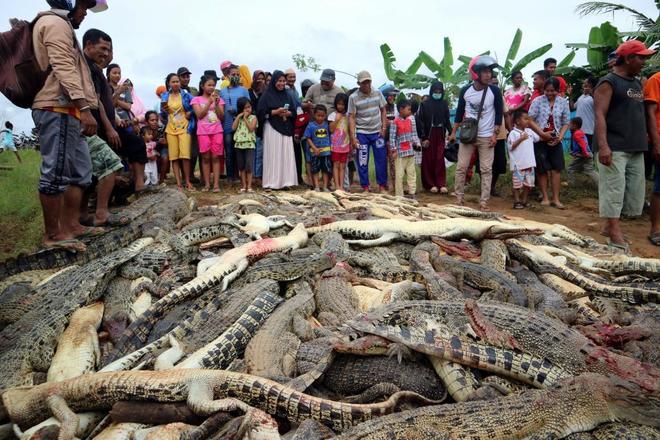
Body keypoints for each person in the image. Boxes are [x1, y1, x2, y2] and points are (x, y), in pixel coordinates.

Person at [32, 0, 101, 252]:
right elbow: (63, 67)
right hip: (57, 107)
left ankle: (71, 226)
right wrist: (84, 108)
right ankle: (53, 235)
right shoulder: (55, 23)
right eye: (82, 8)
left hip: (69, 109)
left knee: (80, 171)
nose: (84, 14)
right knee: (57, 171)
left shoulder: (63, 25)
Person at [595, 40, 655, 250]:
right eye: (641, 57)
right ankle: (614, 232)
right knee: (614, 189)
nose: (644, 61)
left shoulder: (637, 82)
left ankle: (608, 226)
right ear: (628, 58)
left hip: (635, 146)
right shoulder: (608, 82)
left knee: (632, 192)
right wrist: (603, 146)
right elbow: (600, 115)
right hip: (615, 145)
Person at [80, 28, 128, 228]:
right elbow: (96, 102)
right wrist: (107, 126)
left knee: (84, 173)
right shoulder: (83, 67)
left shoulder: (93, 68)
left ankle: (83, 216)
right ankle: (101, 213)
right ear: (88, 45)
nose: (106, 54)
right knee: (111, 164)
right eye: (103, 48)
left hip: (92, 125)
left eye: (109, 50)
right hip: (85, 125)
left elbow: (99, 100)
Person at [449, 55, 504, 212]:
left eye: (490, 72)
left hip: (487, 136)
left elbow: (498, 115)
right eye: (485, 72)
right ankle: (458, 198)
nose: (489, 75)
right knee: (461, 167)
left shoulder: (494, 91)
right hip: (468, 135)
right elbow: (459, 113)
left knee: (486, 169)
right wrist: (453, 132)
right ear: (476, 73)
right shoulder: (465, 91)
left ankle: (484, 202)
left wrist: (495, 135)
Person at [528, 77, 570, 209]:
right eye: (547, 90)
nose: (550, 93)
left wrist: (560, 137)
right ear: (543, 90)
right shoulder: (537, 101)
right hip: (540, 140)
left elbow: (566, 122)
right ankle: (545, 197)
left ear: (557, 90)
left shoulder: (563, 102)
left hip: (555, 140)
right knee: (542, 170)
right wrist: (541, 134)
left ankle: (556, 199)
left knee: (556, 169)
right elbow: (530, 120)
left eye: (553, 91)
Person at [105, 63, 147, 191]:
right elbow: (108, 105)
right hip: (108, 125)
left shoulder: (126, 89)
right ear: (108, 74)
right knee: (116, 157)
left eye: (119, 73)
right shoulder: (105, 87)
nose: (117, 75)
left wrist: (115, 98)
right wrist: (117, 95)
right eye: (114, 73)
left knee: (138, 144)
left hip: (125, 125)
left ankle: (139, 185)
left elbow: (129, 107)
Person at [257, 70, 297, 190]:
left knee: (285, 154)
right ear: (274, 81)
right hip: (272, 128)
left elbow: (295, 111)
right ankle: (271, 182)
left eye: (283, 81)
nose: (281, 83)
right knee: (273, 154)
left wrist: (289, 113)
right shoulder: (266, 95)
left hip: (286, 127)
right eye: (279, 81)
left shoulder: (288, 95)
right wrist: (275, 112)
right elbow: (260, 112)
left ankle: (286, 181)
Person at [348, 71, 388, 192]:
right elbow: (352, 117)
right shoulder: (353, 97)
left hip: (377, 132)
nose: (366, 84)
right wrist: (353, 137)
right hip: (362, 133)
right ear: (358, 83)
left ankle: (382, 186)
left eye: (368, 82)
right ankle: (365, 187)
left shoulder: (378, 93)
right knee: (362, 160)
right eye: (363, 82)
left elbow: (383, 110)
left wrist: (384, 128)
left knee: (381, 159)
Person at [161, 73, 195, 191]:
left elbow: (195, 106)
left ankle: (187, 181)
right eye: (173, 82)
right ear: (169, 83)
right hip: (170, 128)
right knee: (174, 157)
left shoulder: (186, 95)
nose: (176, 84)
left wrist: (191, 113)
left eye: (177, 82)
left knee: (185, 156)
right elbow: (163, 115)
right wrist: (164, 111)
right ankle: (179, 183)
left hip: (185, 127)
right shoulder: (164, 96)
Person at [191, 75, 225, 192]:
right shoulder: (196, 100)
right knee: (205, 158)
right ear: (202, 86)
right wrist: (208, 103)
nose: (211, 87)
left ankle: (216, 185)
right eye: (209, 85)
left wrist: (216, 104)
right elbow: (199, 115)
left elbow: (221, 116)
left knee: (215, 157)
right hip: (203, 131)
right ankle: (206, 184)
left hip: (217, 130)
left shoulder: (219, 99)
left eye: (213, 85)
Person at [417, 80, 452, 193]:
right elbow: (420, 121)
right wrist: (423, 137)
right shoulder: (424, 104)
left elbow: (447, 120)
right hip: (429, 134)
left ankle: (440, 184)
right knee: (428, 159)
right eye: (435, 91)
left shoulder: (444, 104)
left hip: (440, 133)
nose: (437, 93)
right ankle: (430, 184)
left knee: (439, 158)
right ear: (431, 91)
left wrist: (451, 132)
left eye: (439, 91)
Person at [220, 65, 250, 182]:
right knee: (229, 151)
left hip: (241, 126)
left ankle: (239, 176)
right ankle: (230, 177)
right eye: (233, 75)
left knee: (239, 151)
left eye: (238, 75)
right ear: (227, 76)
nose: (236, 77)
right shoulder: (222, 92)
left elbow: (248, 107)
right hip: (227, 125)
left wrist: (238, 112)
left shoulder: (244, 90)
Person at [388, 100, 420, 198]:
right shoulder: (395, 122)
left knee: (411, 174)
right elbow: (392, 138)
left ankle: (412, 193)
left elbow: (414, 134)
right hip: (400, 154)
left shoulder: (411, 120)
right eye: (408, 109)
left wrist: (417, 144)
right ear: (401, 110)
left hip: (410, 152)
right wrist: (393, 150)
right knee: (399, 175)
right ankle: (399, 195)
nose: (410, 111)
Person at [507, 109, 539, 209]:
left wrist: (549, 135)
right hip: (518, 165)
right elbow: (510, 147)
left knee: (528, 184)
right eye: (525, 119)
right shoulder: (513, 133)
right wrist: (521, 139)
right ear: (517, 121)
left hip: (529, 163)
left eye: (528, 119)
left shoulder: (529, 131)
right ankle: (517, 201)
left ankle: (524, 201)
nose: (528, 121)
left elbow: (539, 138)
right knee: (517, 184)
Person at [644, 71, 660, 246]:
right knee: (659, 186)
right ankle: (655, 228)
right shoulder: (656, 80)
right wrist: (656, 142)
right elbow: (650, 113)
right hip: (659, 137)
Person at [304, 104, 333, 192]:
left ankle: (324, 186)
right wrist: (314, 148)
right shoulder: (311, 125)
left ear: (325, 115)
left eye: (323, 116)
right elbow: (308, 138)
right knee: (315, 169)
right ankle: (316, 186)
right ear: (314, 114)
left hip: (326, 152)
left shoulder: (327, 125)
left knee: (325, 170)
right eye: (318, 115)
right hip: (315, 152)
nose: (320, 118)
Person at [232, 97, 257, 193]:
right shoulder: (238, 118)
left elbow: (251, 128)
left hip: (249, 145)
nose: (247, 109)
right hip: (239, 145)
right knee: (241, 166)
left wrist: (245, 118)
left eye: (249, 107)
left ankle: (249, 186)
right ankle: (243, 185)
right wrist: (239, 117)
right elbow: (233, 128)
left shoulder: (253, 118)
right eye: (245, 108)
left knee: (249, 166)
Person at [328, 93, 350, 192]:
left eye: (343, 104)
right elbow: (331, 129)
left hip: (345, 145)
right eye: (339, 104)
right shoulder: (333, 115)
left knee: (343, 166)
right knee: (336, 165)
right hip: (335, 146)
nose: (340, 106)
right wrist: (337, 119)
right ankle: (337, 185)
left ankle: (341, 186)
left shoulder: (348, 115)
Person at [567, 117, 598, 185]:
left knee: (571, 168)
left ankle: (571, 183)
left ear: (575, 125)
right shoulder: (578, 132)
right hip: (586, 154)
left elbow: (583, 144)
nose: (569, 125)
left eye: (570, 124)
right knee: (589, 169)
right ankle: (599, 183)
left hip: (583, 155)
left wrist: (584, 154)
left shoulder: (577, 133)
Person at [249, 70, 266, 182]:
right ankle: (251, 176)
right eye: (258, 78)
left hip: (262, 126)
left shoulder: (265, 93)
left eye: (262, 78)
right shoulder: (248, 92)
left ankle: (258, 175)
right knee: (251, 153)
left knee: (260, 152)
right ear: (253, 79)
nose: (259, 81)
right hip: (249, 126)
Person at [573, 77, 597, 149]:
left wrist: (592, 93)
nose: (584, 84)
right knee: (578, 153)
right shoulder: (581, 97)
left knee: (588, 152)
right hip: (578, 130)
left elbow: (598, 105)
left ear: (591, 84)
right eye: (584, 83)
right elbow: (572, 107)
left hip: (589, 130)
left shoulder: (595, 96)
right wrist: (570, 95)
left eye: (586, 82)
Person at [145, 110, 168, 183]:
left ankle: (161, 180)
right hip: (149, 149)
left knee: (165, 158)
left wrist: (165, 142)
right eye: (152, 120)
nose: (155, 122)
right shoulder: (144, 130)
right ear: (146, 122)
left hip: (161, 147)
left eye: (156, 120)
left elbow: (167, 143)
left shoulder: (162, 127)